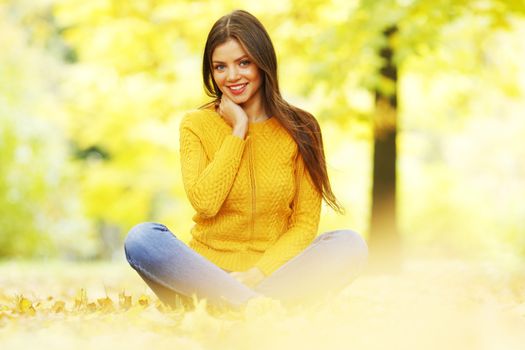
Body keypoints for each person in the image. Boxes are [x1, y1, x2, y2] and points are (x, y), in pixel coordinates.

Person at [124, 9, 368, 310]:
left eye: (243, 62)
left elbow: (304, 224)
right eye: (220, 67)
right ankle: (254, 308)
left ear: (262, 62)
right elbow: (205, 202)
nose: (232, 76)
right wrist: (237, 131)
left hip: (273, 277)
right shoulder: (196, 124)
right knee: (141, 238)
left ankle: (240, 307)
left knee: (349, 244)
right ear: (211, 72)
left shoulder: (302, 128)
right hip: (204, 277)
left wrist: (257, 273)